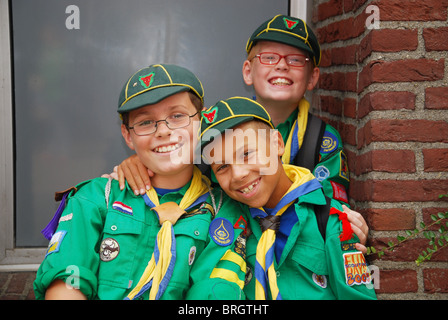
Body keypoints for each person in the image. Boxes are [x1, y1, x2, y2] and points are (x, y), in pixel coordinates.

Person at [109, 14, 369, 249]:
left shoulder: (321, 139)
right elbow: (176, 160)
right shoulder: (217, 126)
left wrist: (344, 231)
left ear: (313, 78)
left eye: (296, 60)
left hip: (295, 245)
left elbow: (330, 210)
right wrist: (139, 163)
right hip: (230, 242)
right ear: (247, 71)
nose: (281, 66)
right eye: (268, 57)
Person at [34, 64, 249, 300]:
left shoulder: (222, 210)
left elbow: (214, 290)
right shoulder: (95, 198)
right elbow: (68, 280)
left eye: (177, 116)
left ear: (202, 122)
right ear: (128, 135)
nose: (163, 131)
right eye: (146, 122)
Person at [198, 96, 376, 300]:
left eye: (247, 153)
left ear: (277, 144)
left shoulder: (331, 220)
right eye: (222, 167)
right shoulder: (227, 219)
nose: (238, 174)